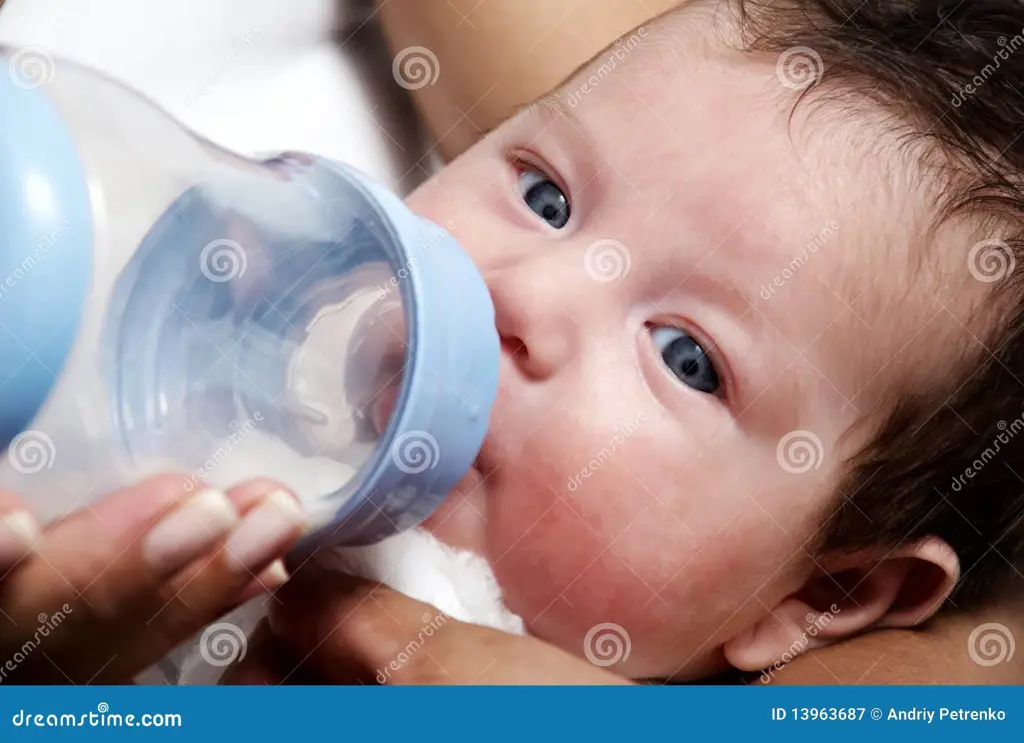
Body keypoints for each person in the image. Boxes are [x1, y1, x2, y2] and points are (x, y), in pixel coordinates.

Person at [4, 0, 1024, 686]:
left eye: (685, 357)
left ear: (825, 588)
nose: (518, 295)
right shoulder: (183, 403)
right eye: (545, 195)